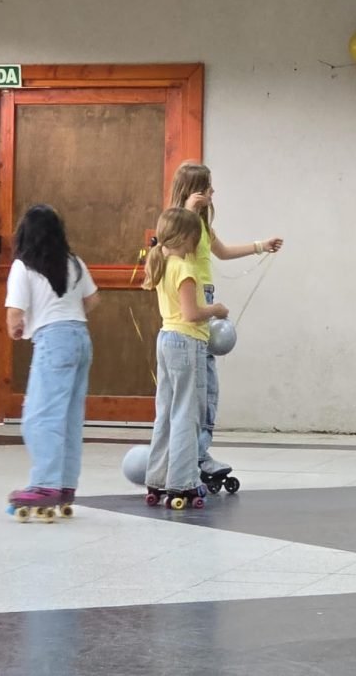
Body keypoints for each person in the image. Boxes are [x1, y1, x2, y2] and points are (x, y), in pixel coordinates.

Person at [170, 161, 283, 481]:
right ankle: (195, 456)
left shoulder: (203, 226)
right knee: (199, 391)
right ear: (195, 192)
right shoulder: (179, 227)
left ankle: (199, 451)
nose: (213, 192)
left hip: (204, 306)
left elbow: (221, 251)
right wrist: (189, 212)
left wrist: (261, 246)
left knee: (208, 389)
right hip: (192, 315)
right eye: (208, 188)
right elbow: (174, 249)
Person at [5, 205, 98, 519]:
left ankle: (45, 484)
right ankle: (65, 485)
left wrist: (18, 328)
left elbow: (14, 316)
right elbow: (92, 300)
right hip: (80, 338)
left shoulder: (24, 266)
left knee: (40, 416)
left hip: (53, 340)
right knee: (70, 417)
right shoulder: (74, 263)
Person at [142, 207, 230, 509]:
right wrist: (215, 309)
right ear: (187, 237)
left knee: (165, 411)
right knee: (186, 414)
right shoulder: (184, 268)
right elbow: (192, 314)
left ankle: (157, 476)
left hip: (165, 339)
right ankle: (182, 482)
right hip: (187, 342)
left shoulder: (162, 263)